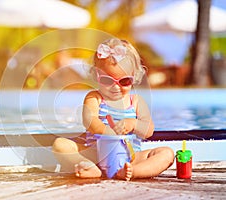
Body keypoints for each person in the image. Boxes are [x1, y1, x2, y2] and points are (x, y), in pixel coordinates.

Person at [52, 38, 174, 181]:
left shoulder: (136, 101)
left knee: (166, 153)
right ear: (97, 76)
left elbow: (148, 131)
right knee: (60, 145)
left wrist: (133, 123)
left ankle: (134, 171)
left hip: (131, 156)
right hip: (97, 154)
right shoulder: (94, 97)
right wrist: (108, 131)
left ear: (134, 77)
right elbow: (89, 121)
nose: (116, 87)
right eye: (107, 80)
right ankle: (88, 166)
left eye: (124, 81)